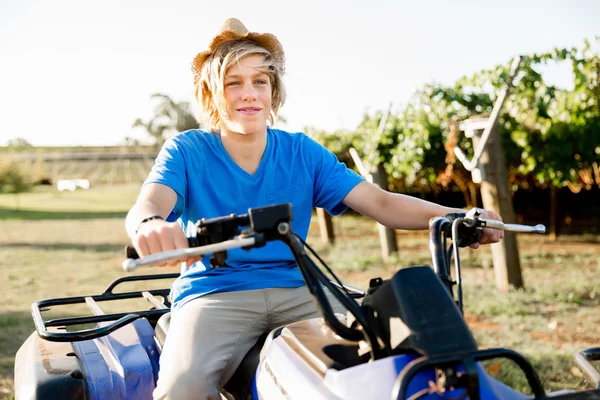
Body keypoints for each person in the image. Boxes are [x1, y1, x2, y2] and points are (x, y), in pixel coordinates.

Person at [125, 18, 504, 400]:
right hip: (216, 293)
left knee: (369, 374)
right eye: (233, 83)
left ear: (274, 91)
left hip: (302, 290)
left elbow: (381, 202)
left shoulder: (301, 152)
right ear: (210, 93)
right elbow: (150, 202)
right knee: (181, 388)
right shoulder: (187, 150)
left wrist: (458, 216)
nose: (248, 93)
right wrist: (148, 224)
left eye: (260, 81)